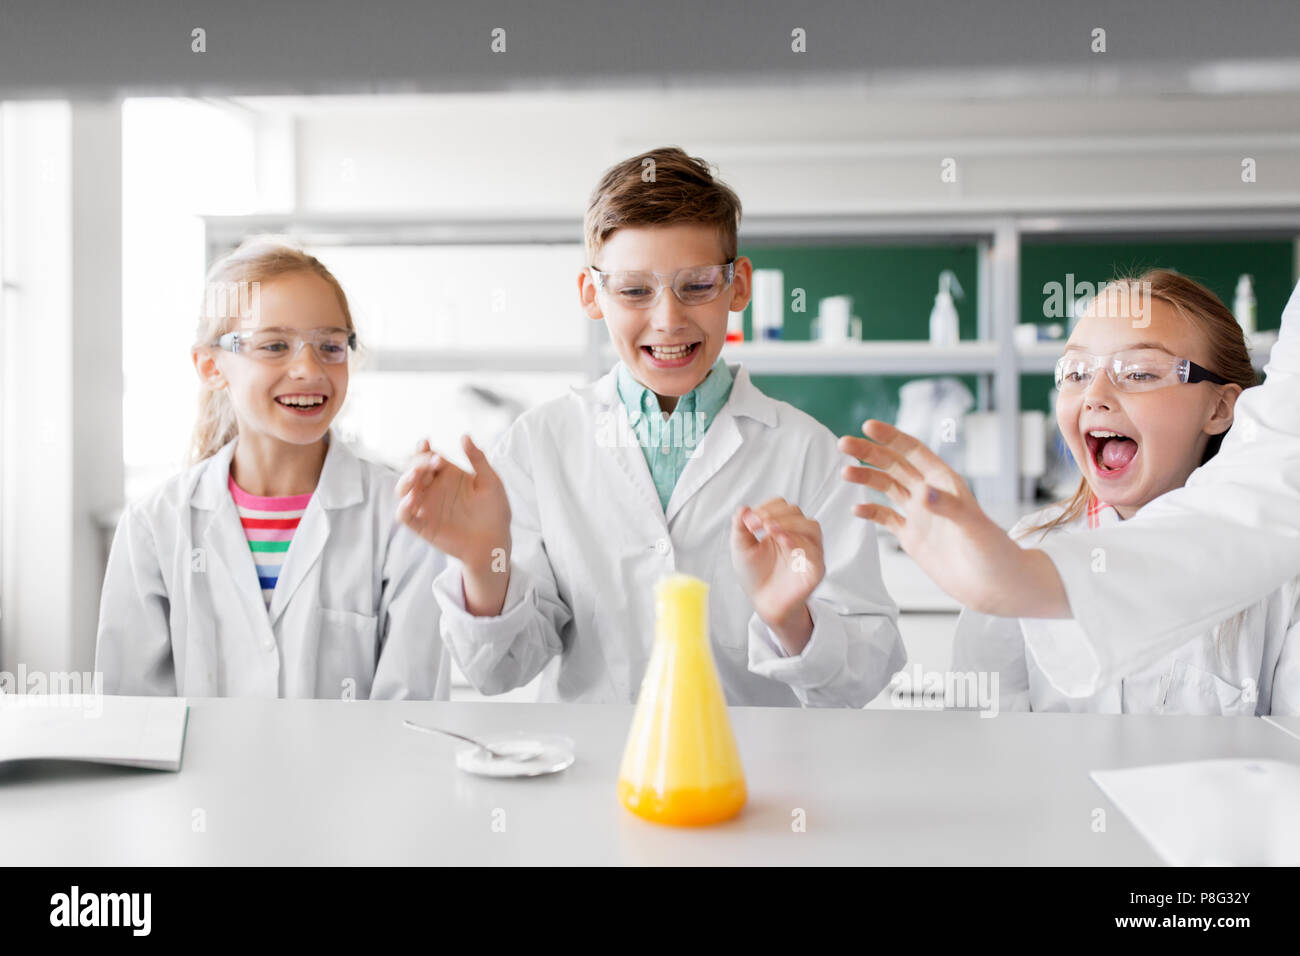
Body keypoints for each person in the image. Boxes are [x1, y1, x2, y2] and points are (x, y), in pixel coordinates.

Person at [397, 147, 904, 706]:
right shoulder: (539, 445)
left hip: (756, 781)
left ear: (737, 286)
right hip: (591, 778)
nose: (667, 319)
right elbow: (499, 671)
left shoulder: (811, 454)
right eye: (635, 290)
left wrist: (791, 620)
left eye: (697, 286)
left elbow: (862, 677)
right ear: (593, 294)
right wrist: (480, 561)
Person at [841, 276, 1300, 699]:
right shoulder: (1019, 551)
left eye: (1139, 372)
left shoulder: (1280, 582)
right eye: (1076, 373)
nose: (1094, 394)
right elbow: (980, 749)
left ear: (1221, 408)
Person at [96, 238, 449, 699]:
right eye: (275, 345)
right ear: (211, 367)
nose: (308, 368)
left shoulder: (403, 520)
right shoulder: (155, 526)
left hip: (357, 774)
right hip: (204, 774)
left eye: (330, 345)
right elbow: (132, 720)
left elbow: (411, 712)